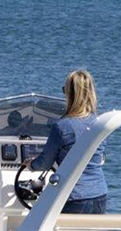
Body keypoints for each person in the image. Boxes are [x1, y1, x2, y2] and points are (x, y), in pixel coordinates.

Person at [27, 70, 108, 214]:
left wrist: (30, 164)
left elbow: (45, 163)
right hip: (99, 193)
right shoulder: (99, 124)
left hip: (74, 196)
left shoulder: (61, 126)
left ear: (70, 94)